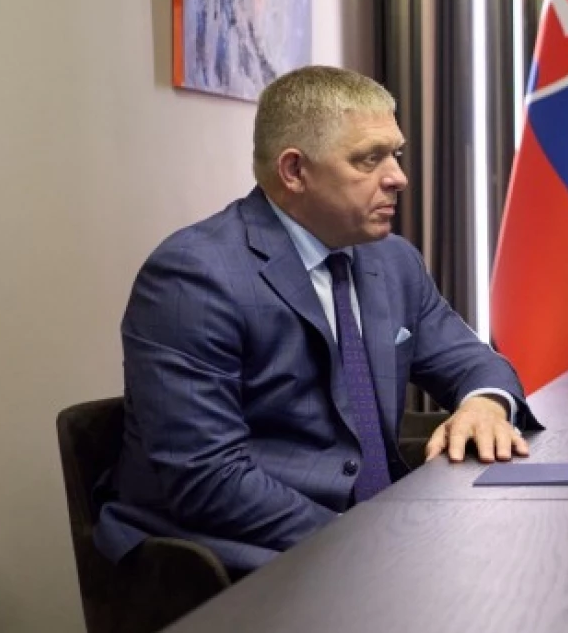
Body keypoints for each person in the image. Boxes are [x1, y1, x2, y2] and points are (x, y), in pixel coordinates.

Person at [95, 66, 538, 576]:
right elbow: (206, 480)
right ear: (294, 171)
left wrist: (485, 404)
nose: (398, 177)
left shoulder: (393, 260)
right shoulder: (194, 276)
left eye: (396, 154)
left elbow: (474, 362)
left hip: (371, 536)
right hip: (232, 553)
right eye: (369, 159)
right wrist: (374, 543)